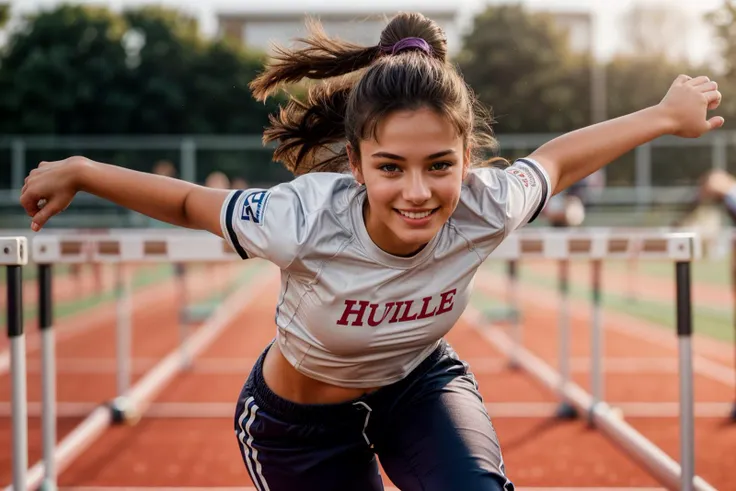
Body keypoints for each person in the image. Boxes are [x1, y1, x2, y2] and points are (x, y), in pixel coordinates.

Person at [19, 12, 723, 491]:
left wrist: (663, 115)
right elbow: (187, 204)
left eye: (440, 165)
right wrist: (81, 169)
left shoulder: (485, 203)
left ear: (467, 156)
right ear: (354, 164)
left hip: (419, 385)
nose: (416, 193)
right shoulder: (303, 219)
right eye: (390, 167)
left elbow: (557, 161)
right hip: (298, 423)